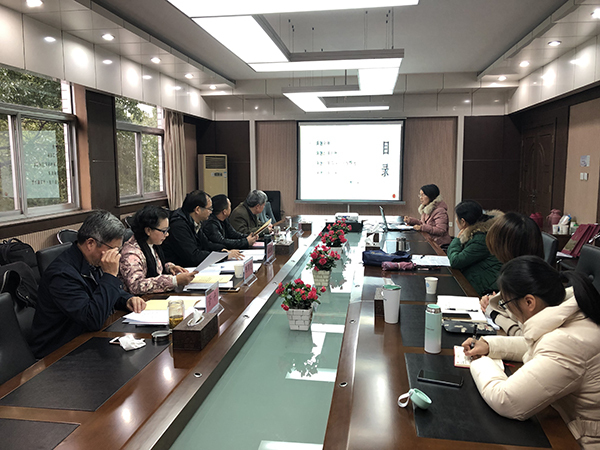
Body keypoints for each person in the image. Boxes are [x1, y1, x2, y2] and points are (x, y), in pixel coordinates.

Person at [462, 256, 600, 449]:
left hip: (580, 441)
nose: (509, 310)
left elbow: (506, 400)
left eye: (506, 304)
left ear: (529, 302)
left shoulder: (567, 343)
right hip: (562, 419)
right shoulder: (570, 312)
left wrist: (479, 360)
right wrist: (490, 346)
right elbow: (539, 347)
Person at [30, 210, 146, 358]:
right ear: (90, 243)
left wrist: (127, 299)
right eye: (113, 250)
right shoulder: (62, 275)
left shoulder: (91, 261)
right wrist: (110, 275)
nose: (116, 255)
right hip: (59, 352)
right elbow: (92, 319)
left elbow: (101, 291)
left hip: (89, 340)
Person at [480, 212, 545, 335]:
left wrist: (494, 314)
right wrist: (493, 301)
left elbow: (524, 335)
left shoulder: (527, 283)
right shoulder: (526, 271)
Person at [119, 205, 197, 295]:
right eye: (163, 231)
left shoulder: (152, 243)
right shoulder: (131, 254)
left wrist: (169, 267)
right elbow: (136, 286)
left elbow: (155, 266)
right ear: (148, 230)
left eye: (167, 230)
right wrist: (174, 281)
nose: (167, 234)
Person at [162, 190, 241, 267]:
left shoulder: (194, 221)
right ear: (197, 210)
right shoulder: (178, 225)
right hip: (181, 269)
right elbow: (193, 256)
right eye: (209, 209)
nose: (211, 212)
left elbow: (206, 244)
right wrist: (223, 256)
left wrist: (223, 250)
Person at [446, 200, 502, 295]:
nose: (455, 220)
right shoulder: (480, 231)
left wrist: (457, 240)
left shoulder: (481, 238)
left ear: (463, 221)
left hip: (485, 285)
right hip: (481, 275)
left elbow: (456, 261)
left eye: (456, 217)